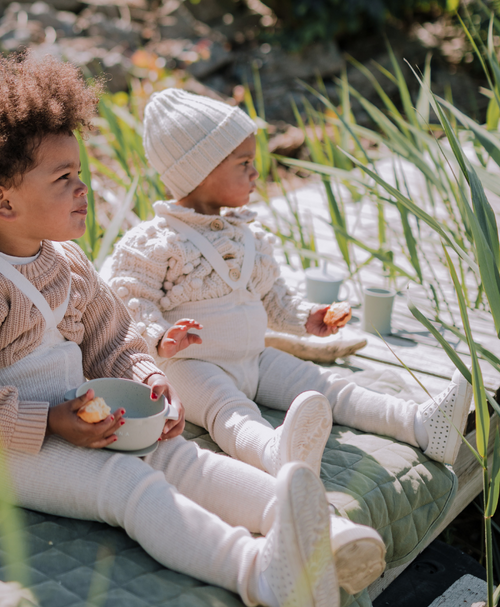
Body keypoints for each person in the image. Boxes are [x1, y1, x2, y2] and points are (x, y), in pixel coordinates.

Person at [0, 54, 385, 607]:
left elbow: (113, 336)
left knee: (178, 455)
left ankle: (315, 531)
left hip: (77, 413)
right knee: (127, 482)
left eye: (80, 174)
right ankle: (259, 573)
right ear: (1, 202)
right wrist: (52, 421)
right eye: (63, 180)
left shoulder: (66, 262)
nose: (83, 190)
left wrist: (149, 381)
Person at [104, 87, 472, 485]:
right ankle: (274, 453)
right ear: (201, 171)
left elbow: (273, 296)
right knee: (229, 411)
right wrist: (160, 337)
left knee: (324, 385)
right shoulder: (155, 241)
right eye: (244, 162)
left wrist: (305, 318)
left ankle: (420, 424)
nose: (255, 173)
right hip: (190, 364)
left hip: (254, 358)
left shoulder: (248, 235)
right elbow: (128, 295)